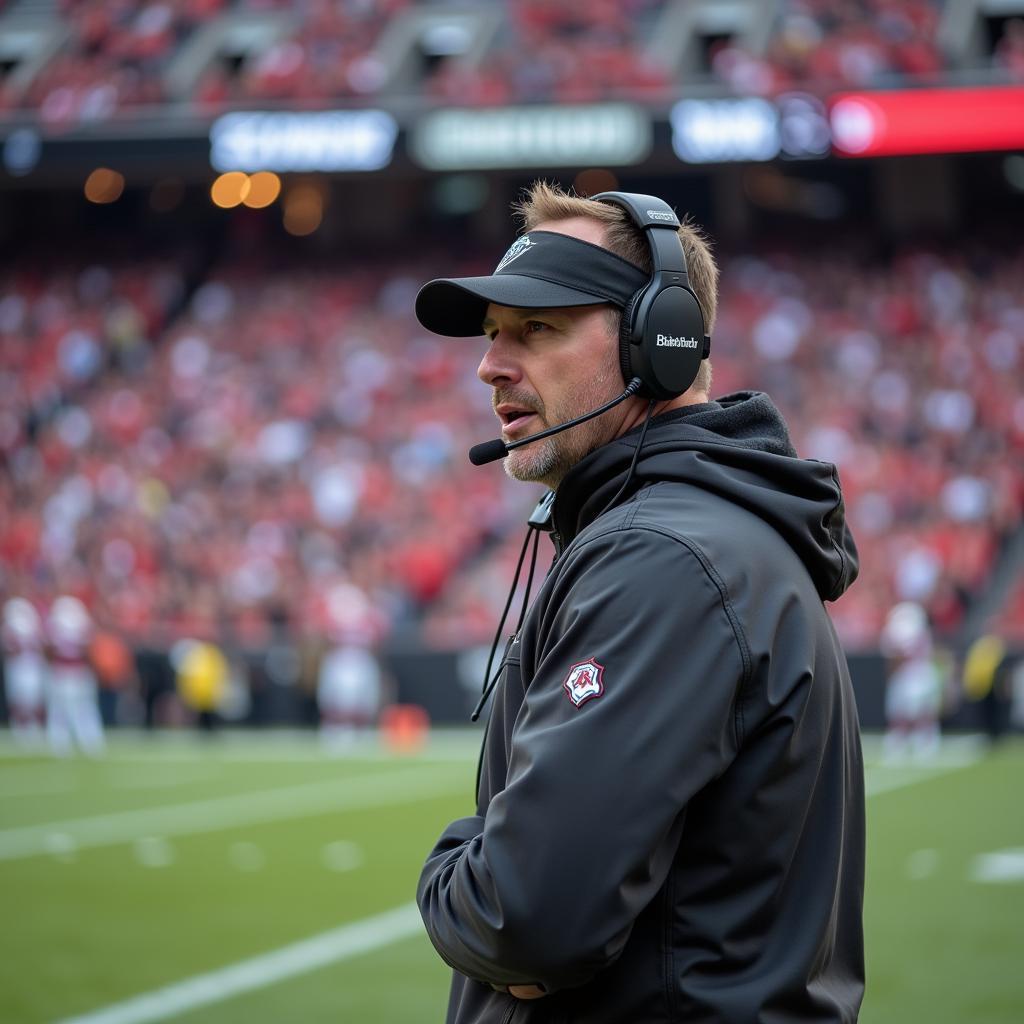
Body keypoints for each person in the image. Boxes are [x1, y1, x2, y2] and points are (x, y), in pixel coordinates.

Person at [413, 183, 865, 1023]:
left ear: (658, 342)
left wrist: (451, 862)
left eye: (535, 328)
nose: (490, 365)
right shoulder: (692, 537)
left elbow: (530, 919)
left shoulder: (659, 561)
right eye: (490, 335)